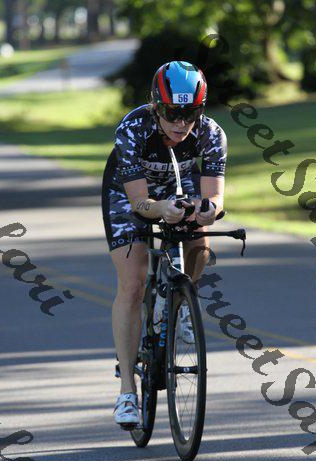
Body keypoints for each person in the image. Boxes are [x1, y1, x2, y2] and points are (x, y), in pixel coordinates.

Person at [102, 60, 227, 427]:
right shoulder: (133, 129)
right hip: (129, 195)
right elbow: (140, 203)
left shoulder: (211, 133)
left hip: (178, 186)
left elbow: (216, 198)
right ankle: (127, 391)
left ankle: (181, 303)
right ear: (156, 105)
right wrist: (160, 210)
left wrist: (208, 211)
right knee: (132, 284)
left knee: (200, 244)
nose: (181, 123)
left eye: (191, 113)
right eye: (172, 113)